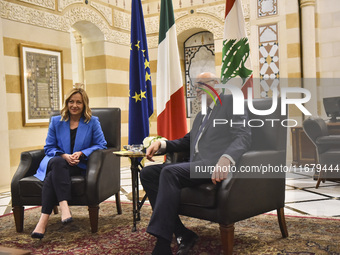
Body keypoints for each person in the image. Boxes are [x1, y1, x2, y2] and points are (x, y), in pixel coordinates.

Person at [140, 72, 252, 255]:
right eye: (195, 86)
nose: (197, 89)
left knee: (169, 173)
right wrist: (162, 144)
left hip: (213, 164)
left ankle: (162, 243)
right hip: (194, 165)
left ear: (216, 84)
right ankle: (182, 233)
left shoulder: (231, 102)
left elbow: (243, 136)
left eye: (202, 84)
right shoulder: (202, 115)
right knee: (148, 173)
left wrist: (226, 158)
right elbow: (186, 141)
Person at [31, 87, 107, 239]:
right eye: (71, 101)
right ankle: (64, 205)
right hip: (56, 160)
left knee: (52, 176)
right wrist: (64, 155)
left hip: (77, 165)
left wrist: (82, 153)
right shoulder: (56, 121)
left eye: (79, 102)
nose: (74, 105)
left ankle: (43, 221)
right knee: (58, 163)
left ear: (84, 104)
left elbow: (101, 144)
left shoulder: (92, 122)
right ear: (67, 103)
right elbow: (49, 147)